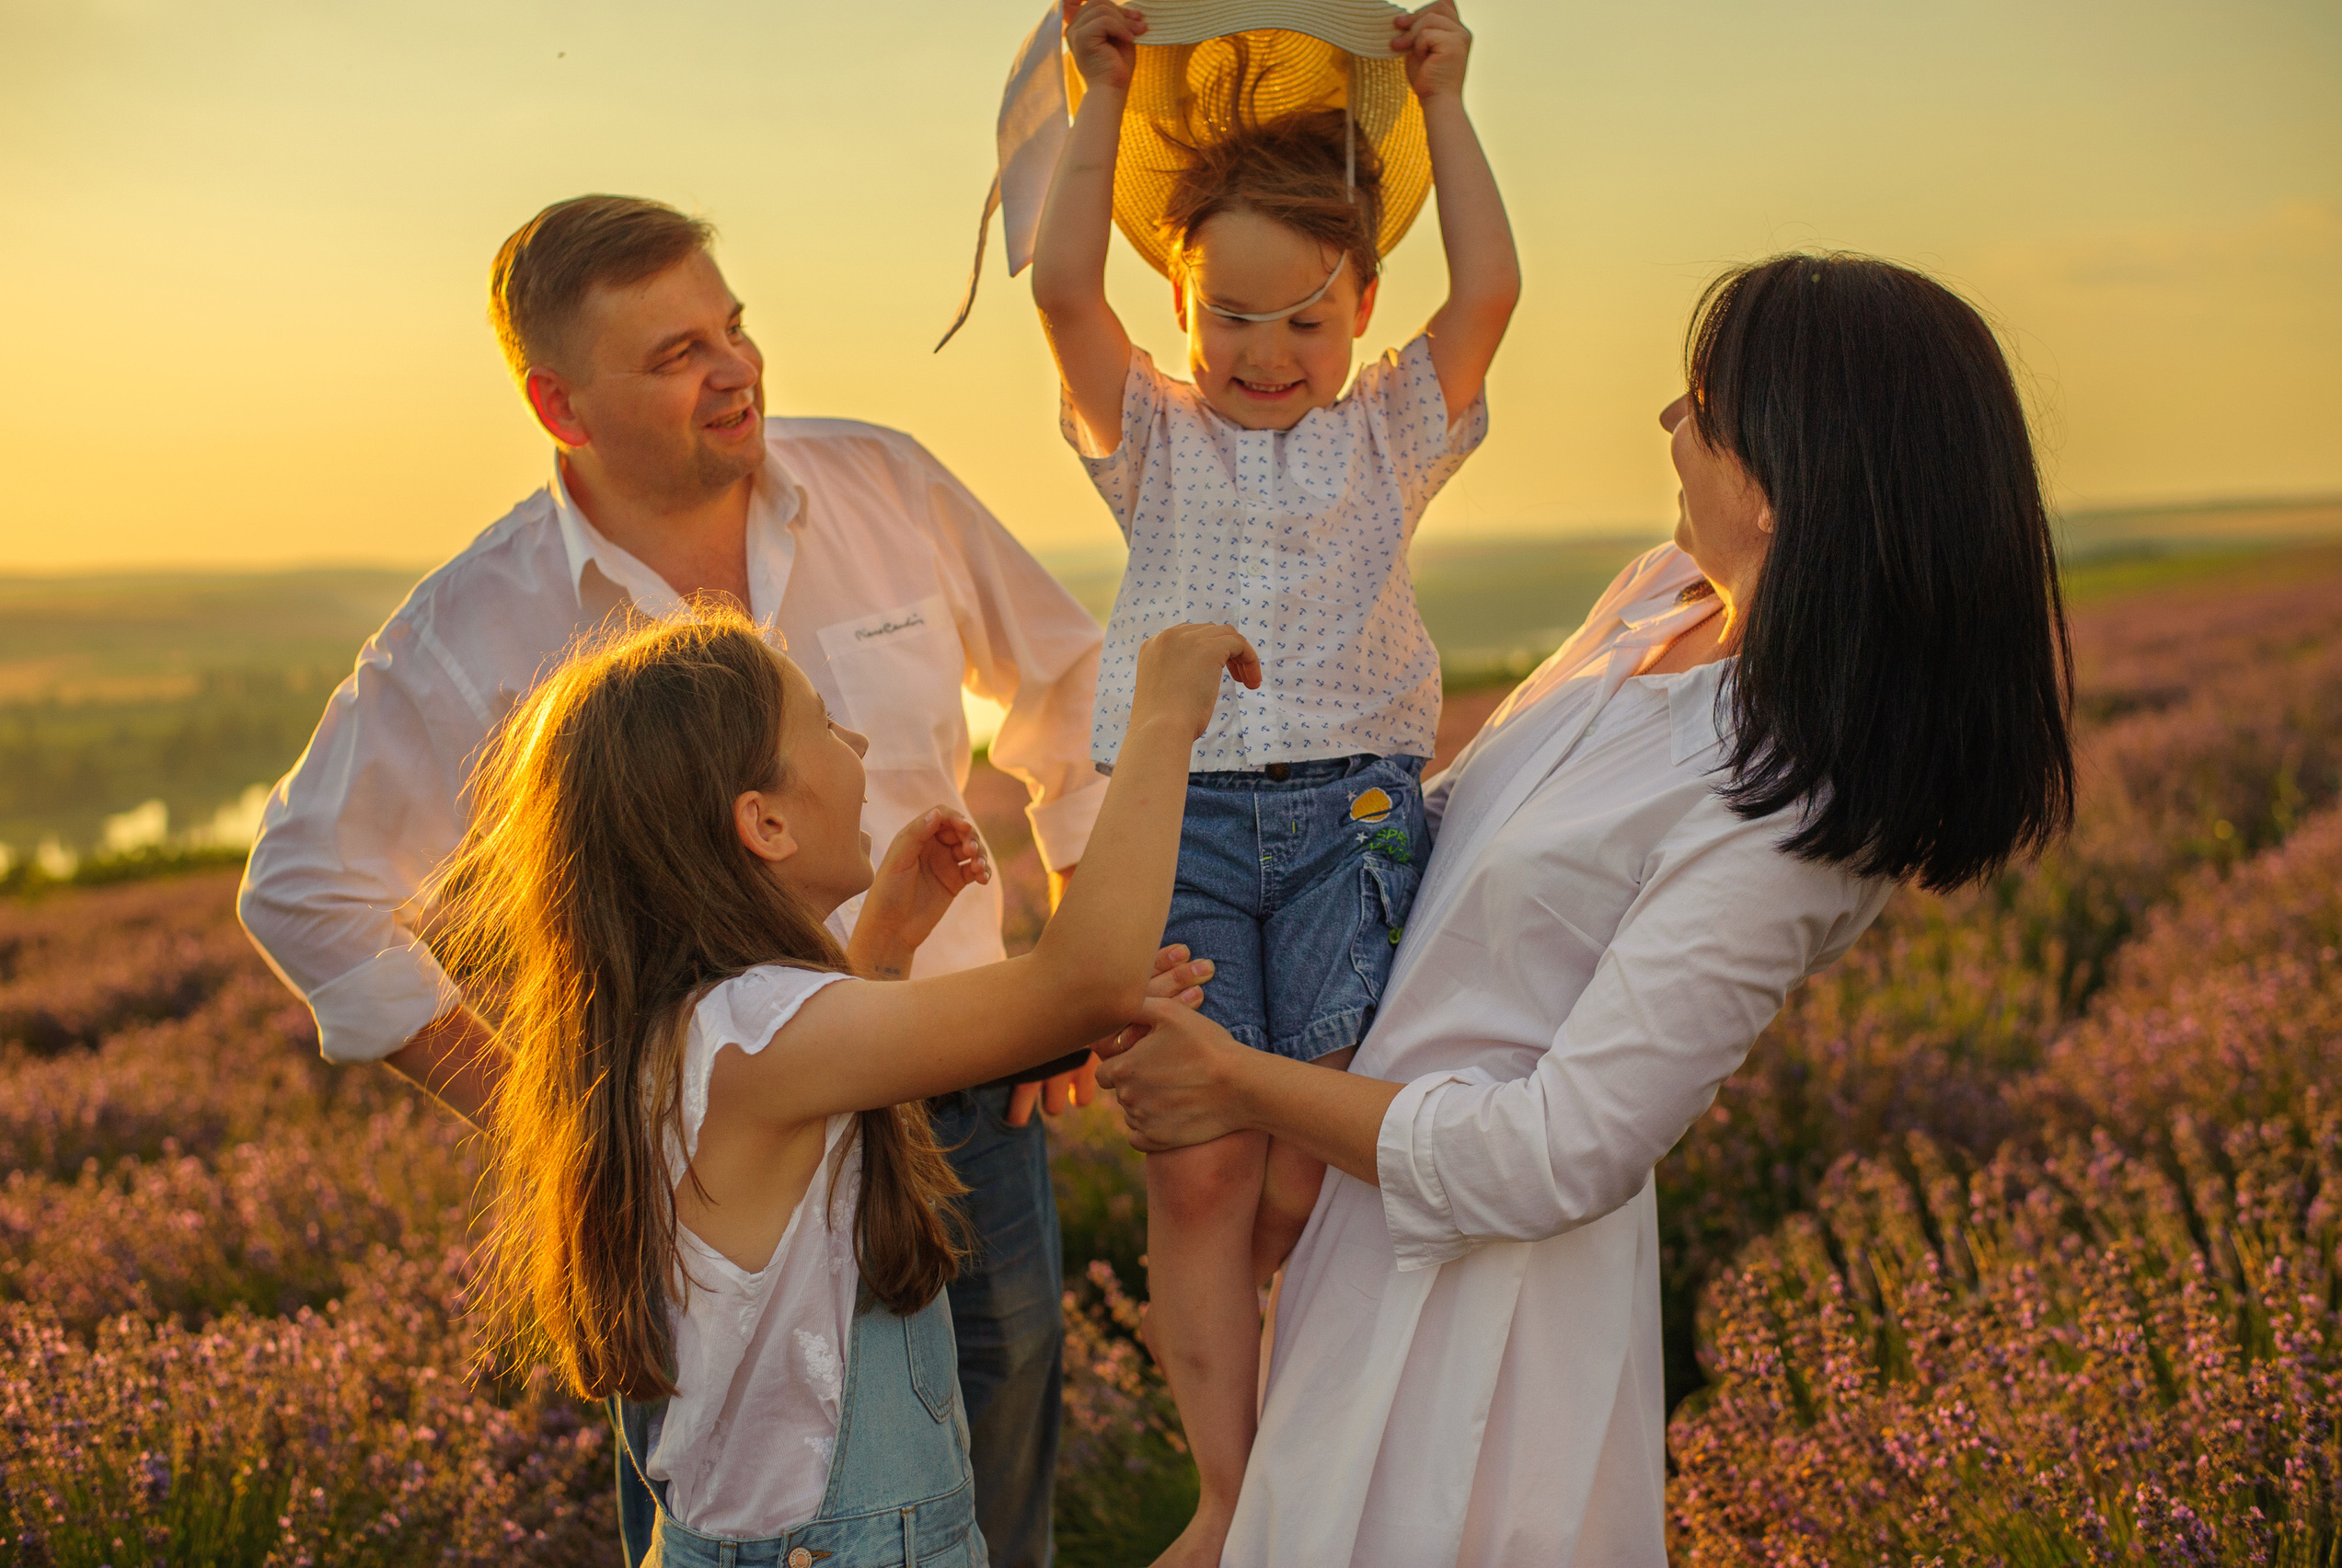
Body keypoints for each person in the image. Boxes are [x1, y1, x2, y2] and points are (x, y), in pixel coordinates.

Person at [1095, 252, 2079, 1565]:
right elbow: (1439, 838)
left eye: (1704, 406)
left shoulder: (1788, 815)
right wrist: (1208, 931)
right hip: (1349, 1230)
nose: (1670, 427)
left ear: (1788, 485)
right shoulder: (1652, 603)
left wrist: (1238, 1086)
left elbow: (1554, 1154)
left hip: (1478, 1339)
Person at [236, 195, 1107, 1568]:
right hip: (704, 1175)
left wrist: (1066, 984)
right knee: (727, 1509)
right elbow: (300, 886)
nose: (736, 367)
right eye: (675, 353)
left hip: (963, 1098)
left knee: (978, 1487)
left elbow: (1068, 680)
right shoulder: (475, 624)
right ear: (560, 406)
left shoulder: (886, 482)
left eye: (734, 326)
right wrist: (554, 1110)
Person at [444, 611, 1252, 1566]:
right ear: (765, 823)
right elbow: (1080, 981)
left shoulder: (698, 1028)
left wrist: (883, 954)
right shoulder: (756, 1034)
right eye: (825, 724)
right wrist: (1159, 718)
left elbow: (808, 1174)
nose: (857, 742)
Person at [1029, 3, 1517, 1557]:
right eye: (1230, 317)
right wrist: (1095, 89)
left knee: (1310, 1178)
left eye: (1307, 318)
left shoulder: (1392, 433)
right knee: (1200, 1171)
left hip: (1348, 825)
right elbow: (1055, 282)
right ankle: (1230, 1496)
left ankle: (1318, 1469)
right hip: (1176, 826)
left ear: (1367, 305)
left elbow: (1494, 285)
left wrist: (1445, 101)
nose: (1266, 353)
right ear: (1182, 309)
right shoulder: (1153, 442)